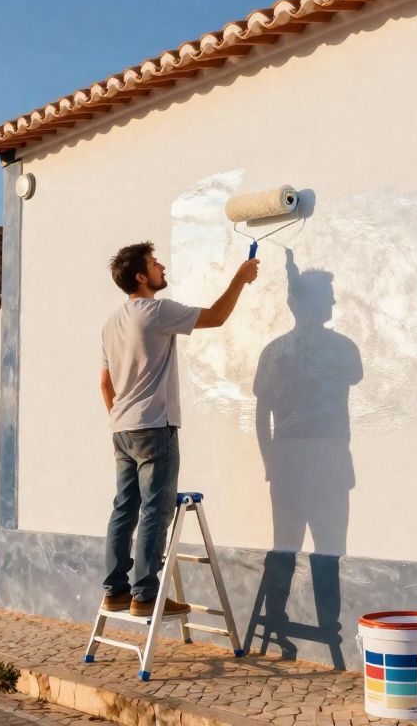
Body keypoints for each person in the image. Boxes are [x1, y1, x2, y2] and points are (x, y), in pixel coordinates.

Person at [99, 241, 259, 616]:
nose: (162, 267)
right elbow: (217, 316)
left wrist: (119, 418)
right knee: (156, 510)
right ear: (141, 277)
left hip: (122, 429)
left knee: (125, 508)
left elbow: (105, 385)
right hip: (155, 427)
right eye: (155, 264)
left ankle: (115, 590)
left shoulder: (111, 324)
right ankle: (145, 595)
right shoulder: (154, 311)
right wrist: (240, 277)